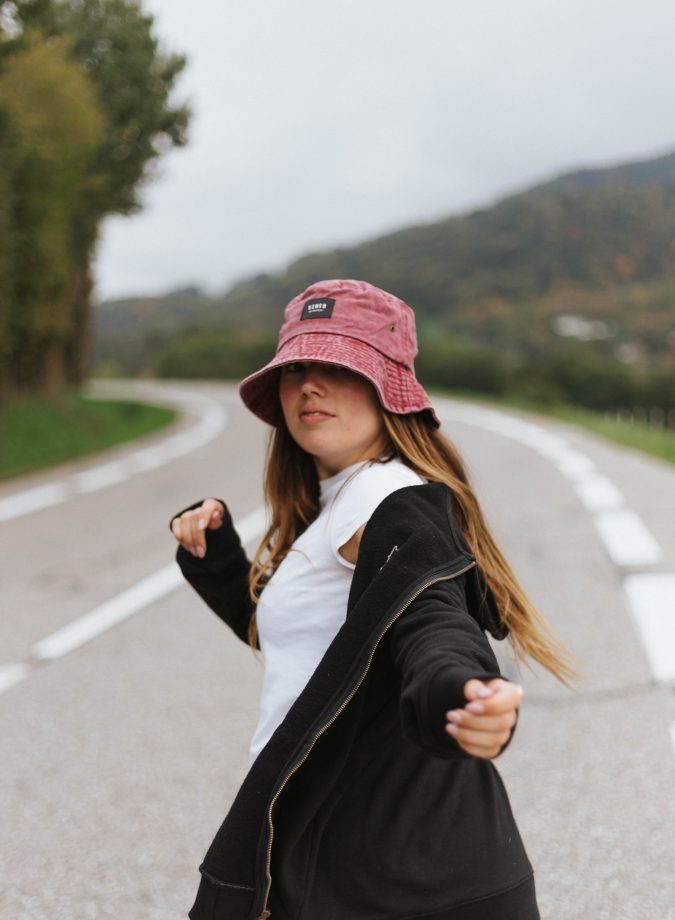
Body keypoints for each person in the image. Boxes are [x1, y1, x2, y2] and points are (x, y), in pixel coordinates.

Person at [170, 279, 574, 920]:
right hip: (353, 845)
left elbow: (433, 623)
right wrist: (220, 563)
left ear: (388, 387)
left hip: (408, 873)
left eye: (337, 365)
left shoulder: (391, 504)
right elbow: (319, 647)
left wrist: (461, 694)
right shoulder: (336, 503)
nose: (309, 384)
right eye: (296, 367)